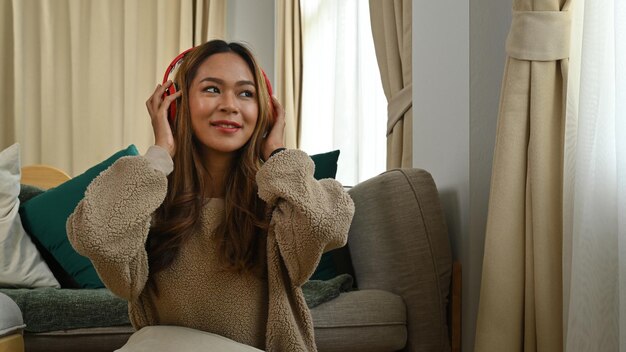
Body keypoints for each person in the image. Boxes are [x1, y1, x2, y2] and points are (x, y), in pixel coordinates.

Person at [66, 39, 354, 351]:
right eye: (212, 89)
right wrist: (159, 153)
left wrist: (279, 154)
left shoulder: (277, 198)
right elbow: (98, 234)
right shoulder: (147, 199)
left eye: (246, 93)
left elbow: (325, 225)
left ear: (266, 113)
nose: (230, 105)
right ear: (175, 103)